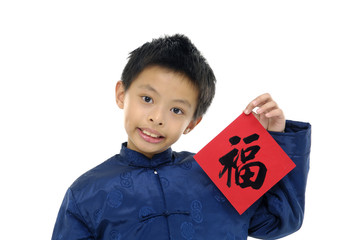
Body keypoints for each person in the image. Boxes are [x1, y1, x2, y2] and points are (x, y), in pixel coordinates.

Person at [52, 34, 311, 240]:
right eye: (147, 98)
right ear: (122, 94)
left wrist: (275, 140)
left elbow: (280, 221)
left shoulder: (219, 171)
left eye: (177, 110)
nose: (157, 117)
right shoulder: (86, 192)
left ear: (193, 123)